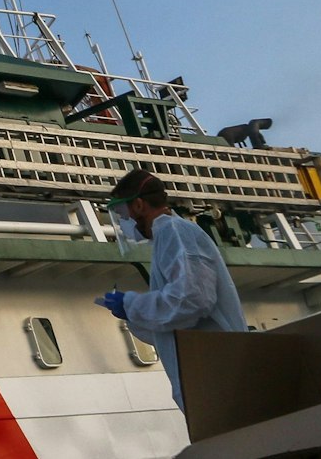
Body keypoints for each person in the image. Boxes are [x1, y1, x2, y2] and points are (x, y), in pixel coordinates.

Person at [93, 168, 246, 408]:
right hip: (207, 380)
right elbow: (171, 328)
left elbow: (194, 300)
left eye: (122, 213)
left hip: (219, 378)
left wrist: (133, 305)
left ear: (140, 206)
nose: (123, 224)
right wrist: (133, 315)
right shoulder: (166, 237)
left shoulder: (175, 232)